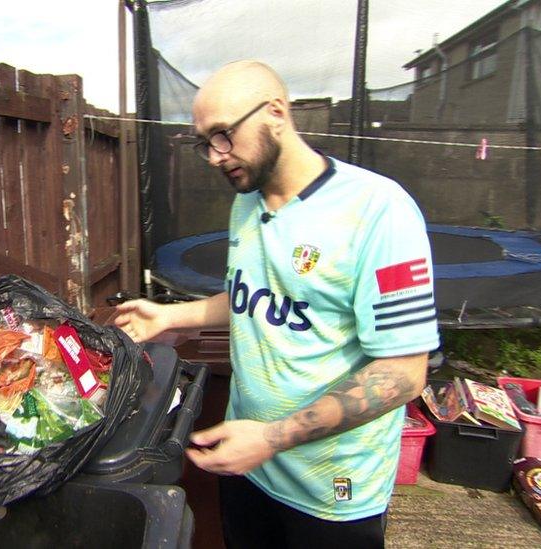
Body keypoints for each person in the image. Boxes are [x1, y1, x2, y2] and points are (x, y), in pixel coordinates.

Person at [114, 61, 439, 548]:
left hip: (331, 491)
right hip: (247, 463)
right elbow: (254, 296)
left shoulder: (378, 211)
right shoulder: (247, 200)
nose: (214, 156)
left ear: (275, 113)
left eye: (223, 135)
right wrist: (169, 316)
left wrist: (272, 438)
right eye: (205, 142)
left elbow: (404, 373)